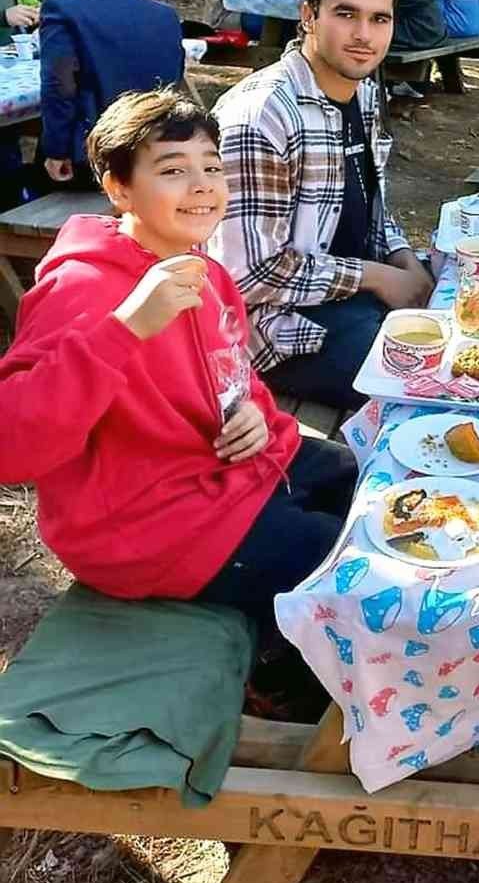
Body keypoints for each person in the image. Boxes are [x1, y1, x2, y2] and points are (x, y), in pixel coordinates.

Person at [0, 86, 363, 639]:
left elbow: (233, 377)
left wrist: (255, 413)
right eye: (172, 171)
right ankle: (292, 685)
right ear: (118, 188)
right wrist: (124, 331)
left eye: (211, 168)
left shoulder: (206, 271)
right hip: (145, 527)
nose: (201, 187)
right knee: (347, 567)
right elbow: (13, 447)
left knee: (361, 481)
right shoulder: (81, 290)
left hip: (219, 472)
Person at [210, 0, 433, 409]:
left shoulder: (362, 92)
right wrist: (376, 277)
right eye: (346, 14)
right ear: (309, 15)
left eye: (379, 19)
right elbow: (247, 276)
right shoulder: (262, 116)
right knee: (426, 382)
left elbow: (365, 200)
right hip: (277, 331)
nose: (364, 35)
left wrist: (402, 257)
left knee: (474, 312)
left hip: (345, 297)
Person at [39, 0, 184, 188]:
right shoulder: (165, 15)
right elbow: (176, 76)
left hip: (97, 156)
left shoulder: (61, 9)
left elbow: (58, 86)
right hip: (159, 149)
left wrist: (56, 150)